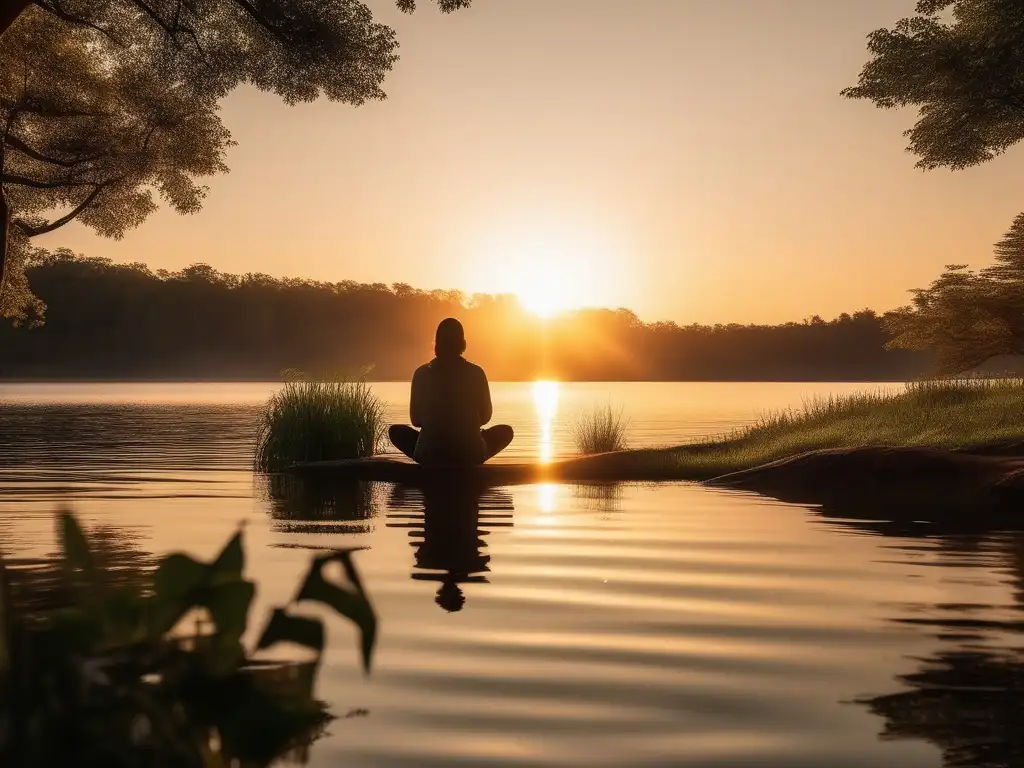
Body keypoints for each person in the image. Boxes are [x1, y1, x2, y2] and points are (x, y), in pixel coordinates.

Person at [388, 318, 514, 466]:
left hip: (430, 455)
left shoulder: (421, 373)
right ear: (462, 343)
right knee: (506, 432)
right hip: (470, 454)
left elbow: (416, 421)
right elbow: (486, 417)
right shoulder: (477, 373)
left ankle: (433, 452)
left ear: (437, 343)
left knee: (396, 432)